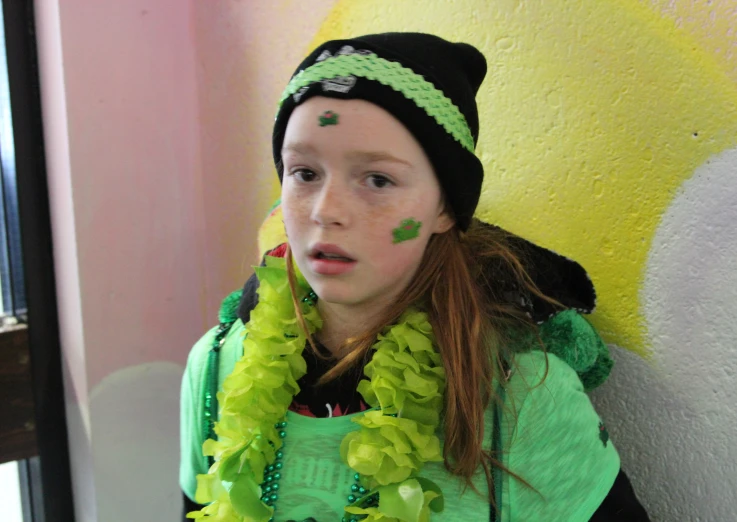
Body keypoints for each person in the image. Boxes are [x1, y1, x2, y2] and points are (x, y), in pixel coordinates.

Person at [179, 32, 649, 522]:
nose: (326, 211)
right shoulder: (216, 367)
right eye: (304, 173)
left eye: (378, 180)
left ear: (445, 207)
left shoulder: (520, 397)